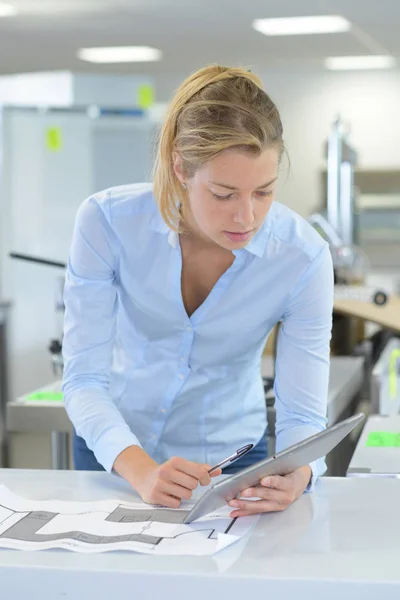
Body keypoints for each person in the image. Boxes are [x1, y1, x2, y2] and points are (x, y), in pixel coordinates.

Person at [62, 64, 334, 518]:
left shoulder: (302, 257)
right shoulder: (108, 222)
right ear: (180, 169)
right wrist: (142, 471)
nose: (246, 217)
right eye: (224, 194)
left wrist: (299, 473)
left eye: (263, 192)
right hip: (114, 455)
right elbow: (84, 380)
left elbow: (302, 415)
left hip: (234, 463)